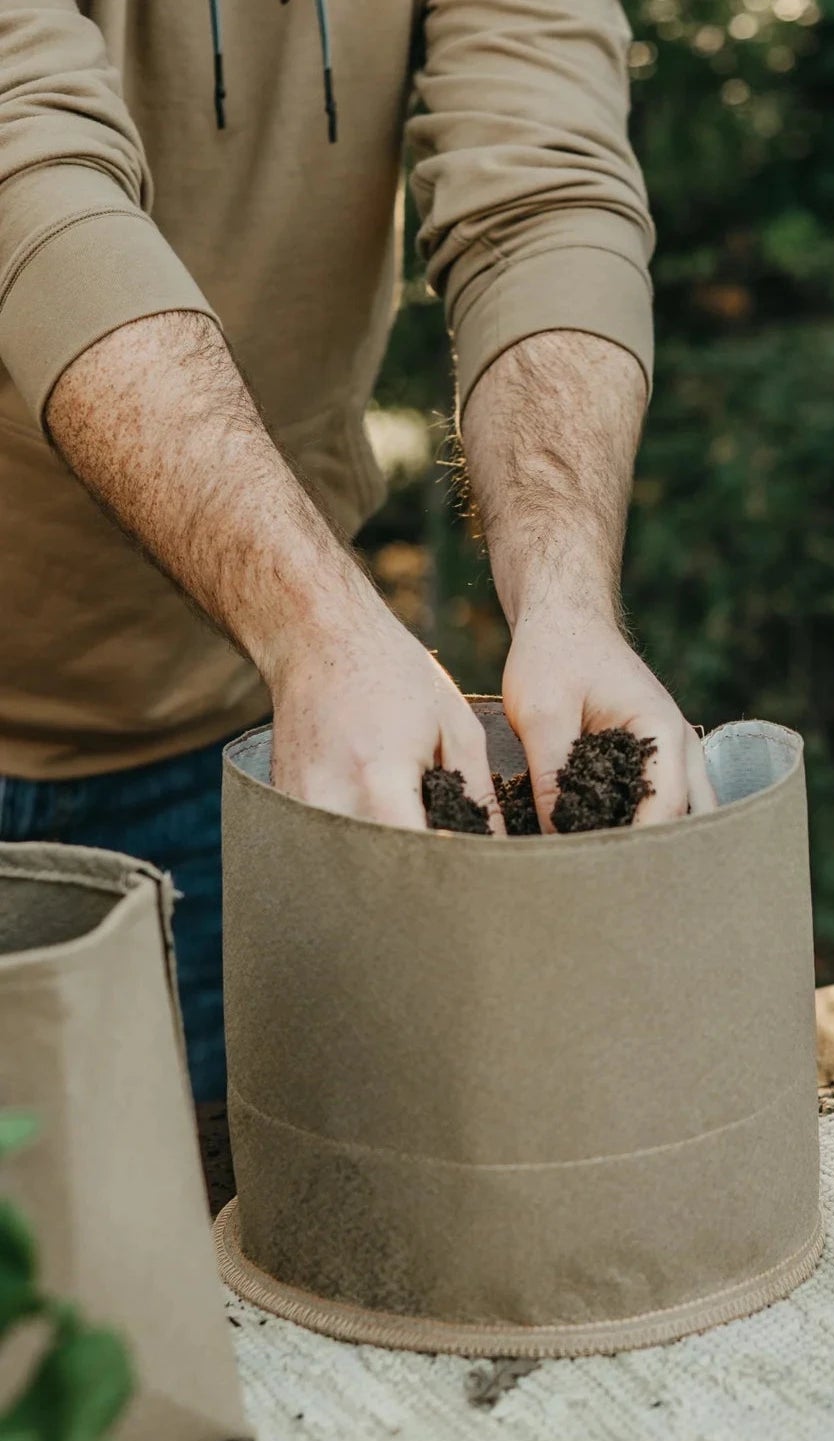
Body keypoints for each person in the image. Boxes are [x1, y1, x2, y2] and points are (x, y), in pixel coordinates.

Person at [0, 1, 715, 1105]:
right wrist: (316, 621)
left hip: (229, 744)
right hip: (258, 658)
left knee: (219, 1231)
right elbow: (27, 175)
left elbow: (540, 198)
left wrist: (567, 599)